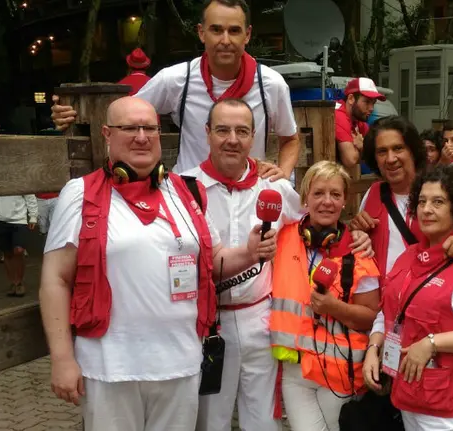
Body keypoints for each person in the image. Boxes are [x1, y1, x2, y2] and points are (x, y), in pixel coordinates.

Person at [39, 97, 278, 430]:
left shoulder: (187, 192)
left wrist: (250, 253)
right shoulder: (80, 193)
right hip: (111, 368)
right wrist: (63, 359)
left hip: (181, 363)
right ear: (107, 134)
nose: (141, 136)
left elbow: (214, 260)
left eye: (149, 128)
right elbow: (56, 280)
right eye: (130, 128)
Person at [181, 98, 373, 431]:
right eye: (223, 130)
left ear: (253, 137)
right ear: (207, 133)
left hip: (262, 320)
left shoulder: (275, 187)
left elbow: (322, 218)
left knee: (263, 422)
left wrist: (356, 235)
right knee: (210, 421)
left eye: (242, 131)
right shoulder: (182, 188)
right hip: (208, 324)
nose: (232, 139)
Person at [52, 0, 300, 178]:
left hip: (248, 196)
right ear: (202, 33)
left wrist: (283, 173)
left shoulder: (271, 84)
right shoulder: (177, 79)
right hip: (188, 198)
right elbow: (122, 114)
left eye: (234, 31)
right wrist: (72, 113)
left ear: (247, 35)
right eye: (216, 30)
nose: (225, 40)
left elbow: (291, 139)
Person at [363, 165, 453, 431]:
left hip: (445, 402)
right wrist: (373, 347)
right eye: (422, 201)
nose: (426, 209)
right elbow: (390, 310)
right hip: (405, 391)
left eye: (438, 202)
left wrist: (431, 343)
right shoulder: (408, 257)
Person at [270, 161, 381, 431]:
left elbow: (370, 317)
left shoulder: (358, 250)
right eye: (318, 193)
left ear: (345, 201)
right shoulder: (283, 237)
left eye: (335, 194)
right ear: (305, 197)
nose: (327, 202)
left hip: (339, 372)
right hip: (296, 371)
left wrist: (335, 307)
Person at [350, 116, 453, 278]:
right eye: (382, 151)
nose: (390, 159)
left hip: (431, 296)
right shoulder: (374, 194)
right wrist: (357, 229)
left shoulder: (447, 190)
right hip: (384, 300)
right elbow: (361, 242)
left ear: (413, 151)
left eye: (398, 148)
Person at [0, 194, 38, 296]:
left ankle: (19, 282)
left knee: (19, 250)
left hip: (19, 220)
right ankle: (13, 282)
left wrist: (33, 216)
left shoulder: (20, 178)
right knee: (7, 253)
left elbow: (30, 196)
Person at [335, 77, 386, 170]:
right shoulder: (338, 115)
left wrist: (362, 147)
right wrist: (364, 149)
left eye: (373, 103)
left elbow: (377, 154)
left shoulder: (359, 120)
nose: (371, 108)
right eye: (367, 102)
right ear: (351, 99)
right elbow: (350, 160)